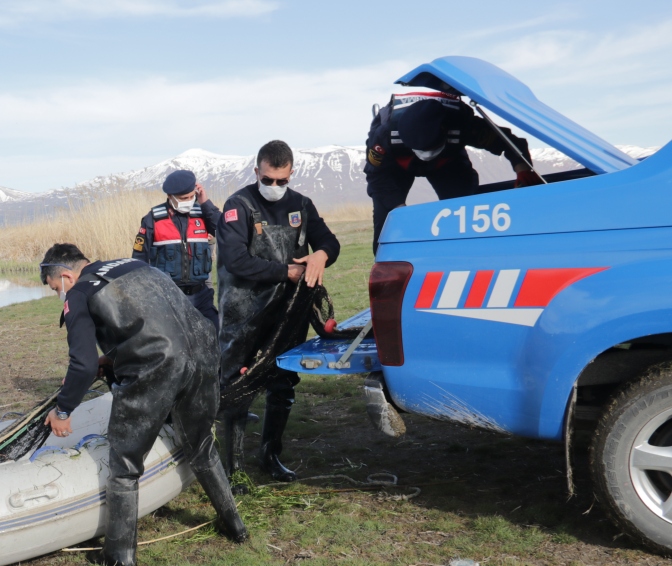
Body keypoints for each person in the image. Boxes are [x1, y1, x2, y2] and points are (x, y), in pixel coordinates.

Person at [40, 243, 248, 566]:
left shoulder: (79, 292)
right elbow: (157, 318)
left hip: (157, 365)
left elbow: (80, 365)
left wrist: (63, 410)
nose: (59, 294)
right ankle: (236, 526)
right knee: (202, 447)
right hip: (205, 350)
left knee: (124, 464)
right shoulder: (132, 264)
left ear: (65, 275)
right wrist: (111, 357)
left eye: (56, 288)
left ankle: (119, 558)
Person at [216, 140, 341, 482]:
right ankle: (232, 466)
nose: (274, 187)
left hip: (288, 312)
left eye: (281, 181)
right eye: (268, 180)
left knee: (284, 381)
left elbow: (330, 241)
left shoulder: (302, 204)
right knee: (236, 385)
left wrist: (321, 256)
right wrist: (286, 271)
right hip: (244, 312)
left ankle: (270, 455)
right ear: (257, 172)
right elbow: (235, 260)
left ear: (291, 175)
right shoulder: (238, 206)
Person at [365, 90, 541, 251]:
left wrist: (523, 169)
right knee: (387, 222)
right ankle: (387, 270)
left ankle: (469, 253)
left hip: (448, 162)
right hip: (395, 166)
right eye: (419, 150)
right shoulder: (384, 135)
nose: (424, 156)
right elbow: (377, 177)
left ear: (444, 130)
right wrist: (400, 209)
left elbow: (509, 142)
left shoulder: (462, 125)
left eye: (429, 148)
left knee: (464, 208)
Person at [132, 169, 221, 326]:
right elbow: (139, 260)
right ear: (170, 197)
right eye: (183, 198)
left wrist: (205, 203)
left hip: (201, 297)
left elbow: (225, 231)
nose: (188, 201)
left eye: (191, 196)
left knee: (218, 338)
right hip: (168, 298)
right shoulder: (153, 219)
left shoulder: (203, 213)